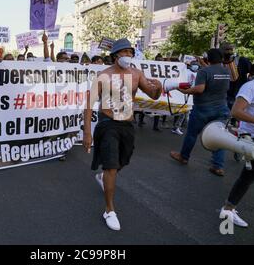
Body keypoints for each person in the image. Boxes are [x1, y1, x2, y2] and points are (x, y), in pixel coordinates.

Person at [83, 38, 162, 231]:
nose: (127, 55)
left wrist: (158, 86)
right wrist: (87, 132)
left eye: (130, 52)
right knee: (111, 165)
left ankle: (104, 177)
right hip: (107, 124)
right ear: (115, 56)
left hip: (127, 125)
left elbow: (153, 95)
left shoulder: (136, 74)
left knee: (121, 162)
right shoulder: (103, 75)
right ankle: (109, 210)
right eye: (124, 52)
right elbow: (88, 104)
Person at [170, 49, 231, 176]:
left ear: (208, 59)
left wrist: (184, 91)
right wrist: (203, 64)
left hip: (203, 109)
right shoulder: (226, 71)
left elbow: (199, 89)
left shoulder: (204, 72)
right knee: (220, 137)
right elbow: (213, 73)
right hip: (221, 108)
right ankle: (218, 166)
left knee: (192, 134)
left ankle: (184, 157)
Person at [219, 64, 254, 228]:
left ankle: (229, 207)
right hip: (252, 138)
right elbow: (236, 112)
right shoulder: (251, 87)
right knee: (248, 176)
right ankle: (228, 209)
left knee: (248, 176)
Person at [222, 43, 252, 110]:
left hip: (240, 95)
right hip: (224, 97)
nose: (229, 52)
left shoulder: (242, 61)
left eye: (231, 49)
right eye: (227, 49)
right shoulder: (219, 63)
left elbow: (252, 72)